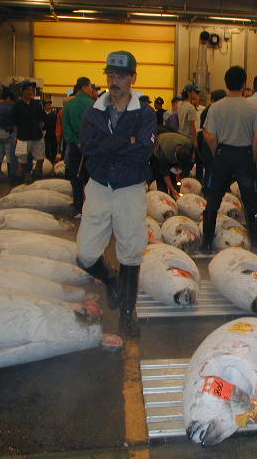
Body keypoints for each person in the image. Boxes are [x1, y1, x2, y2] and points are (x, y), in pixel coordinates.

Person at [77, 51, 156, 336]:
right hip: (99, 186)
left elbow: (144, 151)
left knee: (131, 253)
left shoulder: (145, 113)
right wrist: (127, 141)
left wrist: (108, 142)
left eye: (121, 75)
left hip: (130, 187)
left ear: (133, 77)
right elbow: (87, 145)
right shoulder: (93, 111)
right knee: (85, 254)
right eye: (111, 75)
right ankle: (111, 279)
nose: (115, 80)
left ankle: (126, 312)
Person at [201, 66, 257, 253]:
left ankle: (206, 243)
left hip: (223, 154)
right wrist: (252, 157)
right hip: (244, 155)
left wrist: (217, 153)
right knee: (251, 200)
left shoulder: (215, 108)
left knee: (213, 200)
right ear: (245, 83)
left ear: (226, 83)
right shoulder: (254, 108)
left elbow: (210, 137)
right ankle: (256, 242)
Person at [62, 76, 94, 216]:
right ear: (83, 87)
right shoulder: (92, 104)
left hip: (75, 146)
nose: (91, 89)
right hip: (91, 147)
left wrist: (75, 141)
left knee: (75, 176)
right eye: (90, 87)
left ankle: (77, 206)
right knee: (90, 177)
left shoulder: (68, 105)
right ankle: (89, 207)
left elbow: (66, 127)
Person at [12, 80, 46, 182]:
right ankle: (19, 183)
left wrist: (41, 127)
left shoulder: (37, 105)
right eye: (28, 90)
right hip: (23, 137)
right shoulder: (17, 106)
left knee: (40, 159)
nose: (31, 92)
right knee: (21, 161)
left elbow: (41, 120)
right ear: (23, 91)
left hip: (37, 136)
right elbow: (14, 123)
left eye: (32, 90)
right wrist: (17, 136)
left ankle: (37, 180)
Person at [151, 131, 194, 199]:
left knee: (174, 177)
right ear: (176, 157)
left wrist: (181, 180)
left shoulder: (188, 144)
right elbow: (165, 174)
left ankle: (174, 196)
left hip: (171, 142)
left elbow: (188, 164)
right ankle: (164, 199)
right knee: (161, 180)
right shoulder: (165, 153)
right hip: (159, 148)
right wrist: (172, 190)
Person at [198, 89, 226, 188]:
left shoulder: (217, 111)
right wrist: (214, 148)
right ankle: (207, 190)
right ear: (213, 101)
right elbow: (206, 133)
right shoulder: (208, 112)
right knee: (210, 169)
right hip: (210, 144)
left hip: (215, 143)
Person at [0, 87, 16, 181]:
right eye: (12, 100)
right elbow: (14, 122)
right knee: (10, 156)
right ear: (8, 98)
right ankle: (11, 176)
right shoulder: (10, 108)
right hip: (8, 133)